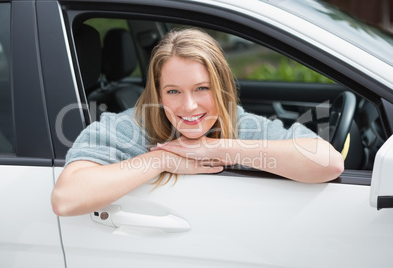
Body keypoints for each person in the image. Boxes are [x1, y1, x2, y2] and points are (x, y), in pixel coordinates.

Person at [51, 28, 344, 216]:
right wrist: (163, 159)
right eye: (173, 92)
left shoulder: (240, 124)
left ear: (221, 88)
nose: (188, 106)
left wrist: (213, 149)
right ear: (158, 92)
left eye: (202, 89)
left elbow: (328, 163)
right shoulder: (127, 128)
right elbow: (66, 198)